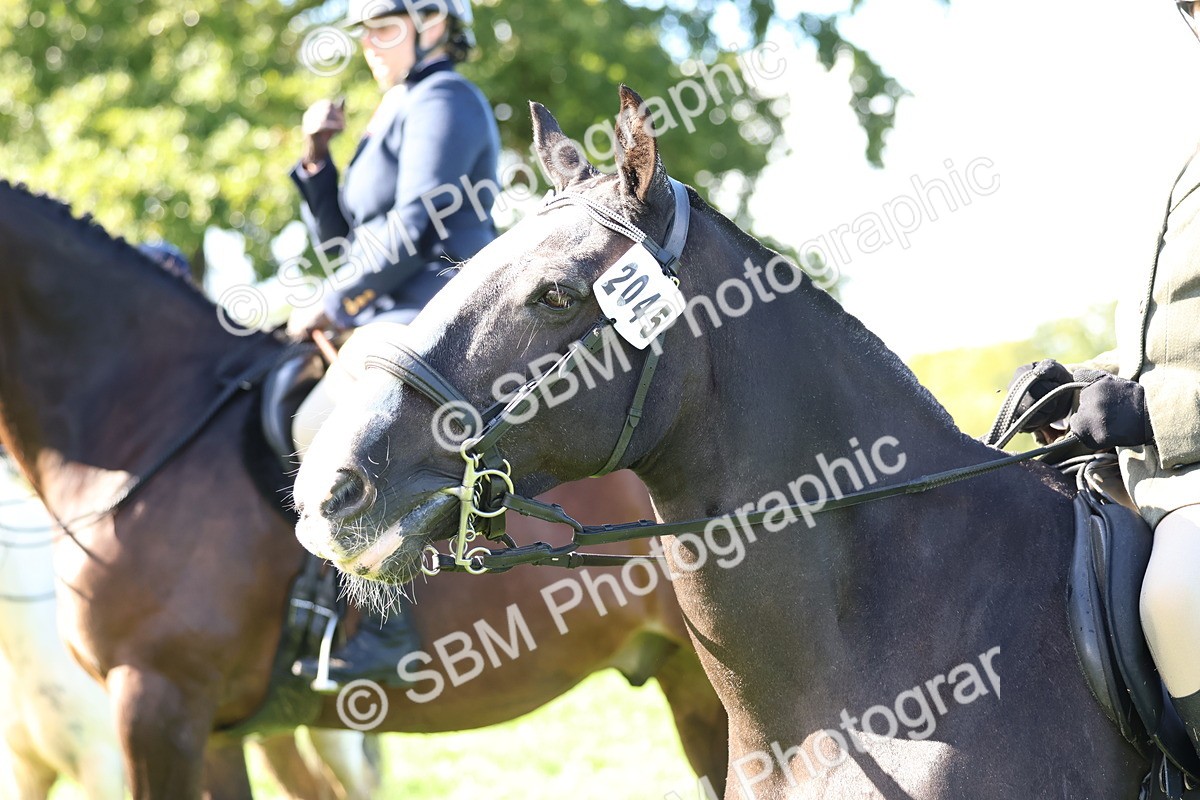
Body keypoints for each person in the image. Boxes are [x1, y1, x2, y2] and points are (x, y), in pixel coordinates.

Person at [286, 0, 500, 689]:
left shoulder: (447, 99)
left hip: (435, 305)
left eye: (385, 28)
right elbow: (351, 247)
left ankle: (388, 624)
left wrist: (335, 301)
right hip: (386, 307)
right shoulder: (396, 109)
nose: (371, 45)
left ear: (433, 23)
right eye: (365, 34)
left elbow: (415, 225)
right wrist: (318, 167)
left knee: (320, 425)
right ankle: (312, 602)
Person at [1013, 0, 1200, 755]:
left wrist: (1154, 413)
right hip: (1152, 478)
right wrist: (1079, 383)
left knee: (1180, 596)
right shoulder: (1184, 153)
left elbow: (1165, 390)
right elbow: (1171, 340)